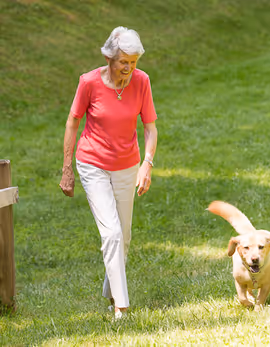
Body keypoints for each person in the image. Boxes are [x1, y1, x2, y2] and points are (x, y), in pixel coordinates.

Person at [59, 26, 158, 319]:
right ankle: (121, 307)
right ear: (109, 58)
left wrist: (147, 164)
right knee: (112, 233)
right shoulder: (89, 82)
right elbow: (72, 123)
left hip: (128, 165)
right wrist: (67, 170)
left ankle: (110, 290)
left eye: (133, 62)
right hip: (93, 164)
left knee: (123, 237)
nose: (128, 68)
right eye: (123, 61)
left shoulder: (141, 82)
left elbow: (150, 128)